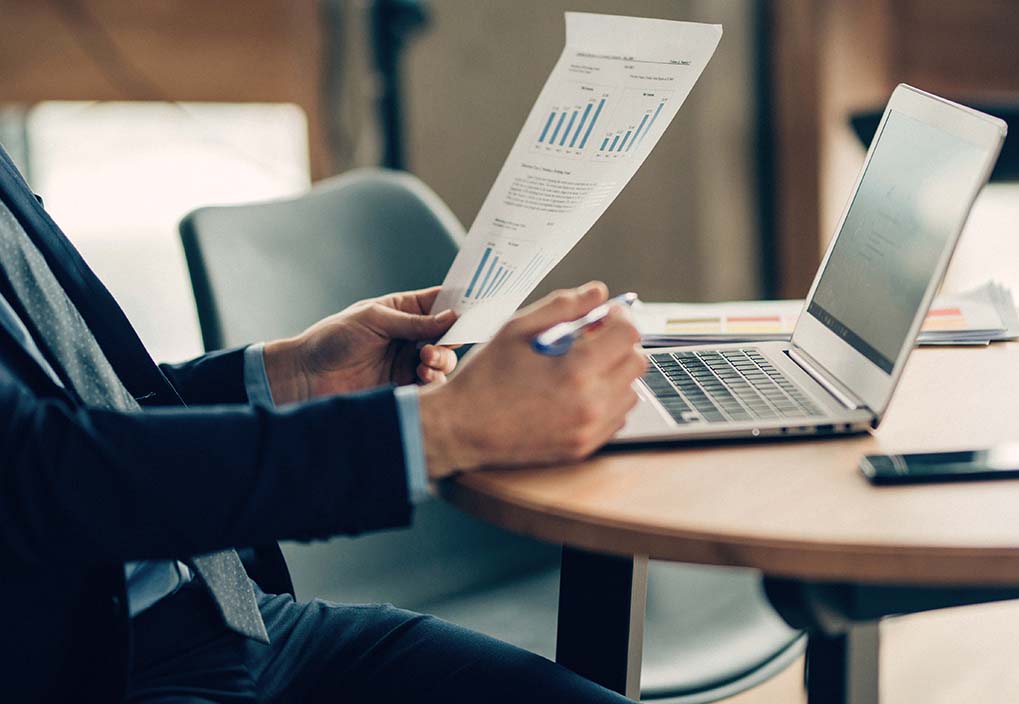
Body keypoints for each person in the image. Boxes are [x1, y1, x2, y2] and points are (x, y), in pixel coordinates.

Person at [0, 142, 647, 703]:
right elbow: (41, 478)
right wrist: (443, 429)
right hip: (94, 675)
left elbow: (75, 413)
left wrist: (290, 376)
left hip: (232, 617)